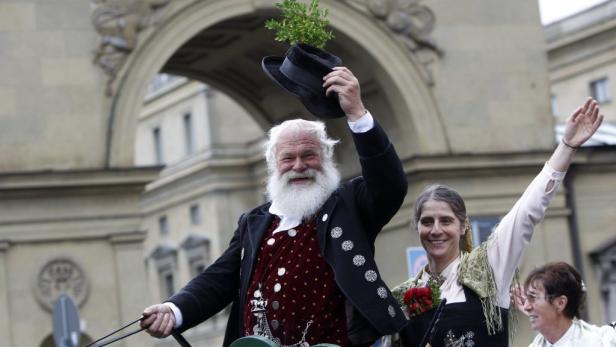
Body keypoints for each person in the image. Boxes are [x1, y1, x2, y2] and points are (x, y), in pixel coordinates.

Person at [140, 65, 409, 347]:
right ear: (274, 165)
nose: (299, 166)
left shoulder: (350, 204)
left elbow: (390, 185)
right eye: (288, 158)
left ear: (326, 157)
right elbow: (218, 280)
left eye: (309, 155)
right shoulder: (254, 222)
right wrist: (173, 309)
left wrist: (357, 114)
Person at [386, 98, 604, 347]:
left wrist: (566, 146)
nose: (436, 230)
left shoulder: (489, 269)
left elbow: (526, 213)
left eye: (446, 221)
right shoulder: (403, 295)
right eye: (427, 222)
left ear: (463, 226)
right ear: (417, 227)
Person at [512, 262, 616, 347]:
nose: (526, 307)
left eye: (533, 297)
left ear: (560, 303)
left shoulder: (599, 342)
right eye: (527, 298)